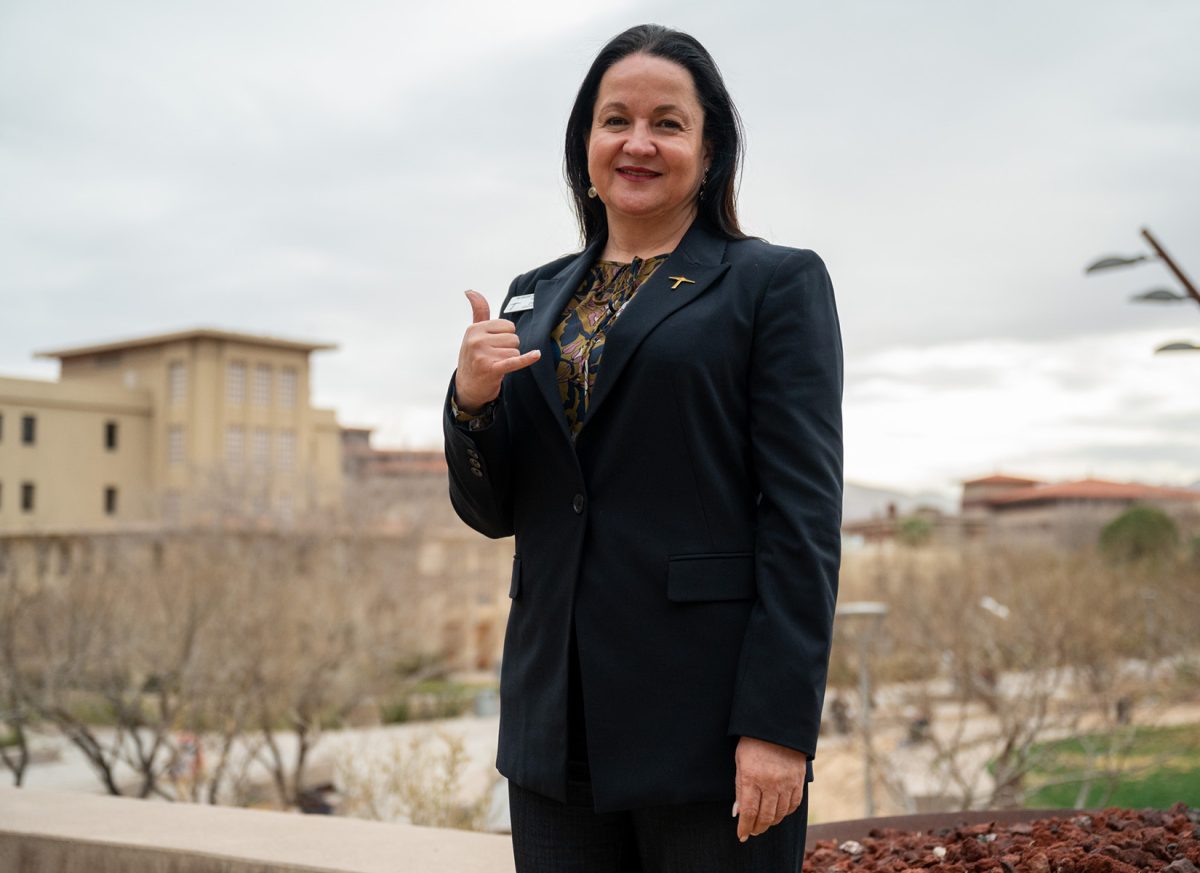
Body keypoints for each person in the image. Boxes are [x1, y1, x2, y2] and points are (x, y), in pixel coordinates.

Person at [443, 23, 843, 873]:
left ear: (710, 148)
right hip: (556, 722)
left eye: (668, 122)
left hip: (706, 727)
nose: (638, 141)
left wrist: (776, 726)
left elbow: (803, 518)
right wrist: (471, 404)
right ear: (585, 142)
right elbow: (495, 509)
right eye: (614, 118)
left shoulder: (772, 283)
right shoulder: (533, 296)